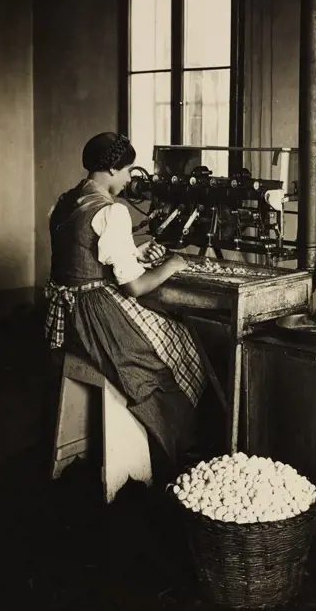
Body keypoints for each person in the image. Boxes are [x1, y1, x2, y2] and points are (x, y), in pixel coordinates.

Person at [44, 131, 207, 482]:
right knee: (166, 355)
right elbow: (135, 286)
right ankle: (182, 454)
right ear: (113, 169)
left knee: (167, 334)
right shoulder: (111, 211)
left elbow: (82, 255)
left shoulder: (65, 200)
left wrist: (134, 252)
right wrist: (172, 265)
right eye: (129, 170)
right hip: (91, 313)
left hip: (64, 313)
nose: (131, 178)